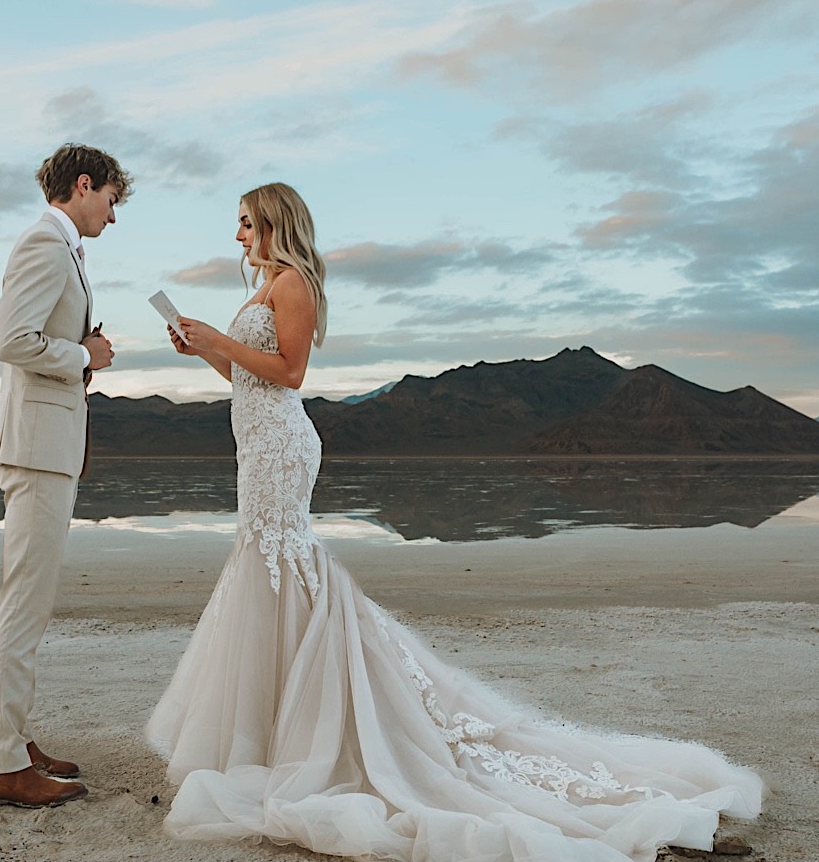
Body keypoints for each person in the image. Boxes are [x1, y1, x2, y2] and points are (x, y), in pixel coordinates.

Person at [145, 183, 766, 862]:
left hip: (281, 446)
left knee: (280, 557)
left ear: (274, 225)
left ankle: (308, 729)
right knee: (269, 563)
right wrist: (202, 348)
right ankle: (272, 728)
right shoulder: (263, 288)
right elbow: (247, 377)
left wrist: (219, 338)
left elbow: (289, 372)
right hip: (256, 441)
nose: (236, 236)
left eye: (244, 223)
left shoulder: (292, 282)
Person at [0, 143, 131, 808]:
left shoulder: (62, 248)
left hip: (48, 445)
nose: (113, 216)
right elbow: (10, 339)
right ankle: (3, 762)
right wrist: (85, 353)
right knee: (24, 603)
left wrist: (80, 354)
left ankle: (13, 739)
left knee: (29, 602)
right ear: (84, 184)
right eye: (111, 201)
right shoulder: (45, 241)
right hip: (37, 448)